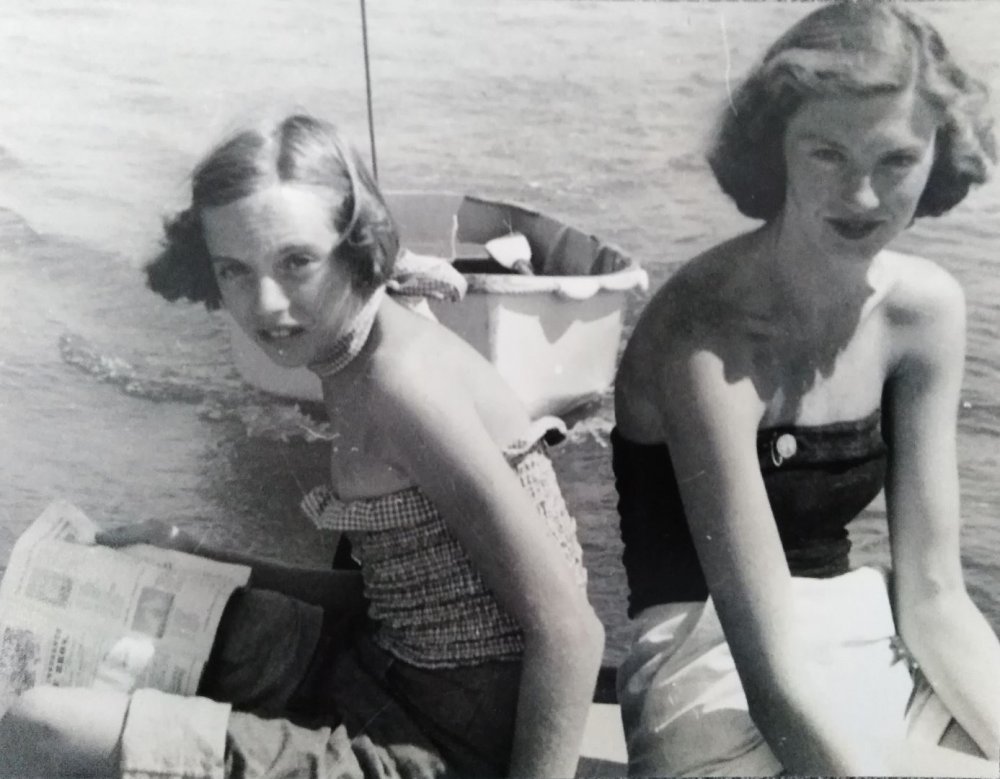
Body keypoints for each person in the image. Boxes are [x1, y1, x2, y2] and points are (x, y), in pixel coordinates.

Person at [0, 113, 604, 779]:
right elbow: (395, 595)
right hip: (379, 667)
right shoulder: (360, 351)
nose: (265, 302)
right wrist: (192, 552)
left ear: (356, 247)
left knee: (43, 727)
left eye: (296, 262)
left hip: (440, 747)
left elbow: (572, 634)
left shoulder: (401, 386)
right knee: (104, 612)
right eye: (234, 270)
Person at [612, 5, 999, 777]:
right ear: (775, 147)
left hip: (857, 629)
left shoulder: (925, 312)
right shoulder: (708, 332)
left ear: (938, 155)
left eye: (896, 159)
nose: (862, 196)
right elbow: (773, 682)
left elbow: (934, 598)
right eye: (827, 153)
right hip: (709, 662)